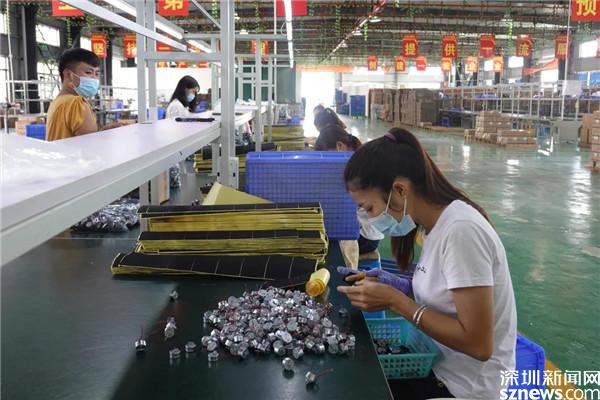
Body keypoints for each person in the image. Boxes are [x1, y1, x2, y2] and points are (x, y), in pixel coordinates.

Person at [337, 127, 517, 400]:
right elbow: (447, 296)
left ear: (400, 190)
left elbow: (479, 345)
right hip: (436, 364)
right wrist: (403, 287)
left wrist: (396, 301)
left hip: (463, 388)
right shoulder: (433, 226)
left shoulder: (461, 231)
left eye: (369, 208)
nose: (369, 218)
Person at [47, 48, 101, 141]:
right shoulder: (76, 103)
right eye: (88, 72)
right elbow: (92, 144)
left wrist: (105, 130)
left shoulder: (57, 102)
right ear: (68, 75)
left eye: (96, 74)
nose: (94, 79)